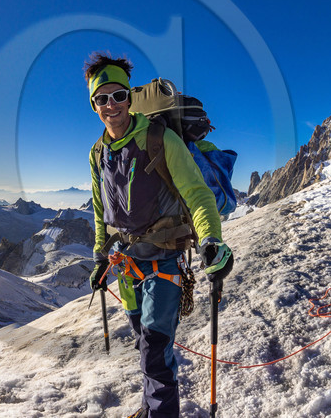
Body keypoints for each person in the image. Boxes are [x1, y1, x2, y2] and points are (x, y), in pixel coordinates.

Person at [84, 53, 233, 418]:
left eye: (118, 95)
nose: (110, 105)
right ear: (93, 105)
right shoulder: (98, 152)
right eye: (101, 99)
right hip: (127, 263)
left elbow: (197, 193)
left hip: (165, 260)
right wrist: (100, 254)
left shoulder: (160, 138)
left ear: (130, 98)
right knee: (144, 341)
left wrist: (211, 239)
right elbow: (101, 209)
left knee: (154, 348)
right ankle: (152, 407)